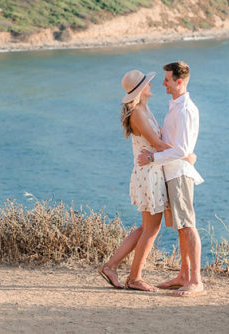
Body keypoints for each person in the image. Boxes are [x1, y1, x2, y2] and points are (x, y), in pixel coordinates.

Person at [98, 69, 196, 292]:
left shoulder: (142, 109)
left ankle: (111, 266)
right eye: (148, 83)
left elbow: (159, 143)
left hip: (151, 171)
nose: (154, 85)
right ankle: (134, 278)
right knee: (151, 229)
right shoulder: (138, 114)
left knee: (147, 227)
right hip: (148, 174)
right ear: (141, 90)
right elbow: (159, 145)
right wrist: (187, 154)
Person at [137, 61, 204, 297]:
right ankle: (183, 275)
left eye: (166, 79)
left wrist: (153, 157)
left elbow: (182, 149)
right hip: (171, 172)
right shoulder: (176, 106)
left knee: (188, 225)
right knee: (180, 228)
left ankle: (195, 280)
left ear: (179, 81)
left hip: (179, 173)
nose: (163, 83)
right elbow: (177, 144)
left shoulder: (185, 109)